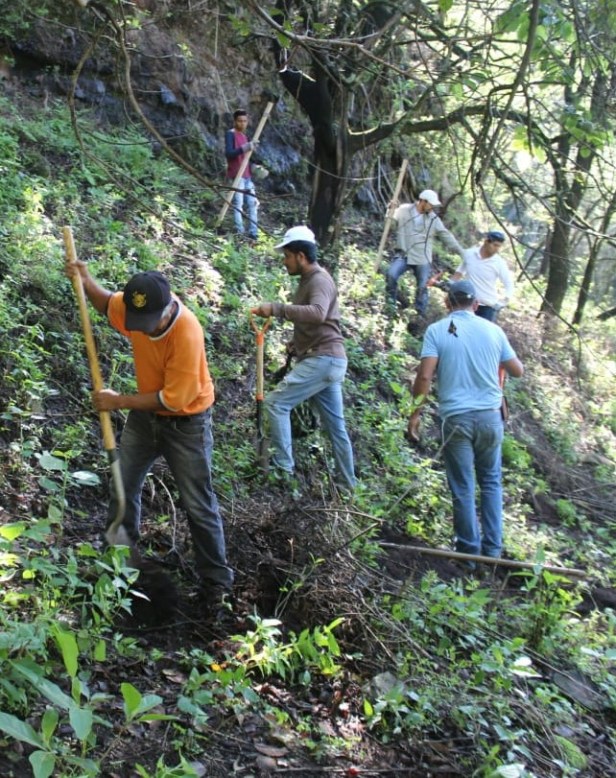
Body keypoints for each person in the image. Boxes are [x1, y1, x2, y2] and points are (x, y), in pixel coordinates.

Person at [64, 262, 234, 614]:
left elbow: (173, 399)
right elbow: (104, 302)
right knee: (122, 485)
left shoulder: (186, 332)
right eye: (135, 320)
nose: (142, 328)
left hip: (186, 423)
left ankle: (216, 585)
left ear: (168, 306)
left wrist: (118, 401)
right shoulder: (137, 307)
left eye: (149, 321)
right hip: (145, 418)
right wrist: (85, 279)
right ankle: (120, 562)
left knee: (198, 504)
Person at [407, 280, 523, 561]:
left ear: (447, 303)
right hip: (490, 417)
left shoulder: (437, 331)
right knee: (491, 481)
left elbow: (424, 377)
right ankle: (493, 551)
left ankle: (469, 554)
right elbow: (517, 370)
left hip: (456, 418)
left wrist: (415, 414)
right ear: (476, 304)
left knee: (462, 485)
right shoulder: (494, 331)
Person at [250, 226, 356, 491]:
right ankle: (347, 485)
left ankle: (283, 471)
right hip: (326, 359)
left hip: (323, 360)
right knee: (336, 429)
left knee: (276, 403)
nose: (284, 262)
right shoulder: (310, 281)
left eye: (286, 256)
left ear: (300, 255)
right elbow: (320, 321)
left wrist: (276, 309)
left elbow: (319, 313)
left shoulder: (319, 279)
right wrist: (297, 344)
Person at [385, 189, 464, 318]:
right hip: (404, 254)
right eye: (430, 204)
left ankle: (419, 315)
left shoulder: (433, 219)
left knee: (422, 287)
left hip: (423, 258)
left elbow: (445, 235)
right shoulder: (404, 210)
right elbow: (390, 225)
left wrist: (461, 251)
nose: (432, 207)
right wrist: (390, 210)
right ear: (422, 201)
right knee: (391, 275)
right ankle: (390, 306)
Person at [451, 230, 514, 321]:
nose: (497, 249)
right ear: (486, 241)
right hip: (467, 303)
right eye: (495, 245)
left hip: (486, 307)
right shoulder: (469, 254)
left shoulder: (499, 263)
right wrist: (450, 284)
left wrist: (504, 300)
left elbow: (509, 283)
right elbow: (459, 272)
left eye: (499, 246)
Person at [225, 109, 259, 241]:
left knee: (253, 203)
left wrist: (254, 167)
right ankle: (240, 232)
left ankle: (253, 233)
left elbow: (245, 159)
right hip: (236, 174)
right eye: (240, 121)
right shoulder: (230, 134)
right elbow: (229, 153)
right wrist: (246, 147)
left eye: (245, 121)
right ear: (235, 121)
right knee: (238, 203)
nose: (242, 124)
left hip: (247, 175)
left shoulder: (245, 137)